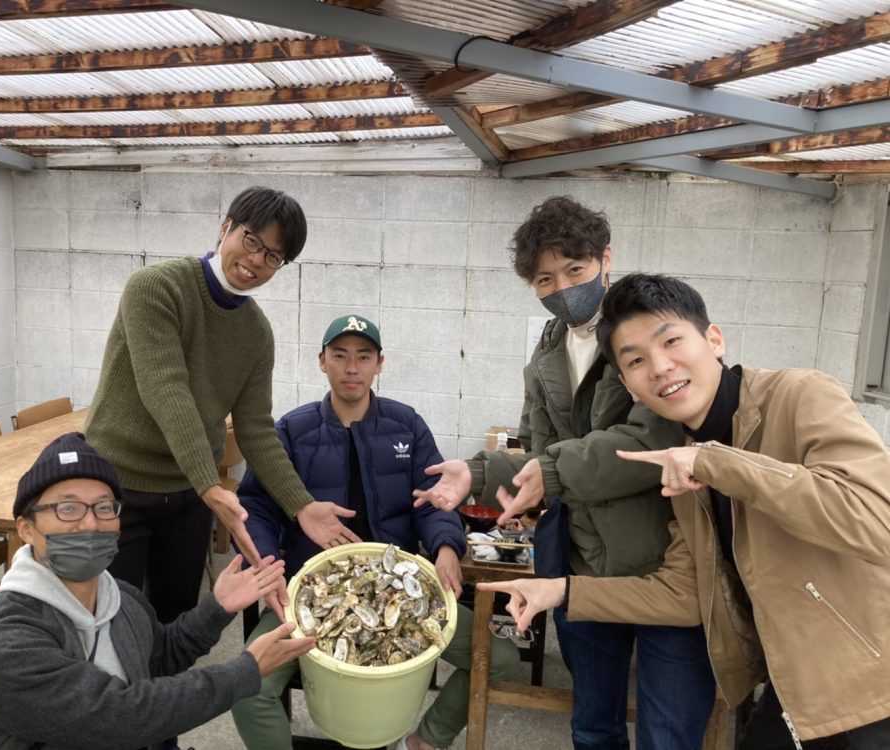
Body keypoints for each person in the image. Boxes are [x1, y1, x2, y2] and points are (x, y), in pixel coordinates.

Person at [481, 273, 890, 750]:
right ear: (629, 387)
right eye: (635, 361)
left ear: (713, 339)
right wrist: (559, 590)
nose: (659, 366)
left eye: (671, 340)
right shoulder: (684, 457)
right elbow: (683, 593)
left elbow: (874, 518)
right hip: (793, 686)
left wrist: (718, 461)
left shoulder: (800, 396)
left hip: (870, 682)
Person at [414, 197, 716, 749]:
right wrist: (478, 473)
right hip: (580, 567)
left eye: (575, 271)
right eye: (545, 278)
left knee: (668, 734)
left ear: (606, 260)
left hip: (665, 566)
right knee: (592, 725)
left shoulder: (641, 337)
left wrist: (546, 470)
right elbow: (540, 450)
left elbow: (652, 439)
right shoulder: (547, 351)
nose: (562, 287)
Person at [231, 314, 520, 750]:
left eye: (363, 357)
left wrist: (445, 544)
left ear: (379, 364)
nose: (352, 368)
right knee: (246, 686)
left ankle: (423, 741)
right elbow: (256, 507)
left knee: (500, 658)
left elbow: (435, 497)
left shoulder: (406, 425)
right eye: (340, 356)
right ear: (321, 362)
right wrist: (270, 568)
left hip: (403, 590)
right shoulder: (292, 430)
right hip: (311, 592)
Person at [84, 186, 361, 625]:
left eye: (274, 256)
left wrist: (300, 504)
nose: (256, 260)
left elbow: (255, 428)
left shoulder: (256, 332)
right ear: (226, 228)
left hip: (188, 496)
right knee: (108, 620)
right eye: (252, 241)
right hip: (117, 486)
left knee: (174, 617)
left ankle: (164, 693)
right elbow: (166, 389)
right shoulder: (157, 287)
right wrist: (210, 484)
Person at [0, 432, 316, 749]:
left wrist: (216, 607)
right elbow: (119, 716)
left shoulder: (119, 597)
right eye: (68, 508)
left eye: (104, 507)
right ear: (25, 527)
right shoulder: (3, 642)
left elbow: (156, 660)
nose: (90, 523)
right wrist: (244, 671)